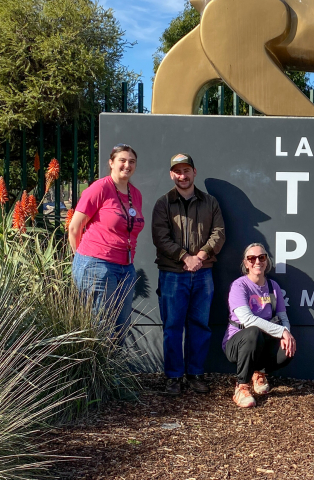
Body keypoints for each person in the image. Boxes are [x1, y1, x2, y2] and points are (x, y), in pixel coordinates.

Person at [151, 153, 225, 396]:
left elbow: (218, 233)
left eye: (187, 171)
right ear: (172, 174)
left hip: (203, 274)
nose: (182, 176)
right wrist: (185, 257)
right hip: (173, 274)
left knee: (200, 325)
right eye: (178, 172)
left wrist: (200, 256)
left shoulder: (210, 202)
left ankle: (195, 374)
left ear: (195, 172)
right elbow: (161, 238)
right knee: (173, 327)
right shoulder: (163, 203)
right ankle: (173, 377)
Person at [69, 144, 144, 335]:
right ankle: (96, 366)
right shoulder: (99, 188)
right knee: (99, 327)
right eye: (122, 160)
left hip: (126, 267)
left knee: (121, 327)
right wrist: (83, 260)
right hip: (97, 265)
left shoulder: (135, 194)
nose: (127, 165)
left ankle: (112, 365)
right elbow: (74, 227)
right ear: (111, 163)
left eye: (132, 161)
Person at [222, 243, 296, 408]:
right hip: (238, 342)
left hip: (263, 342)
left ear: (266, 261)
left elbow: (283, 317)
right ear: (246, 263)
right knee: (253, 332)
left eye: (261, 257)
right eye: (252, 258)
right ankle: (241, 387)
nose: (257, 261)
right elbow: (247, 319)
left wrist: (287, 334)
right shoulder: (239, 286)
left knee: (288, 349)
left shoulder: (273, 287)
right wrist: (282, 331)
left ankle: (259, 373)